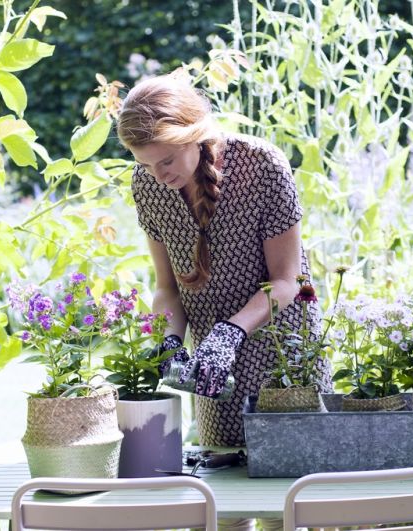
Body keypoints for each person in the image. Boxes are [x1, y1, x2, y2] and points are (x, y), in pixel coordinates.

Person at [116, 74, 330, 530]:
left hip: (282, 352)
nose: (159, 175)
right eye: (146, 164)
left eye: (167, 160)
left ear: (195, 134)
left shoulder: (263, 166)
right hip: (216, 368)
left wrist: (230, 332)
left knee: (286, 508)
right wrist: (169, 342)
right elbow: (166, 289)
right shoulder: (149, 185)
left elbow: (287, 281)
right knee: (221, 509)